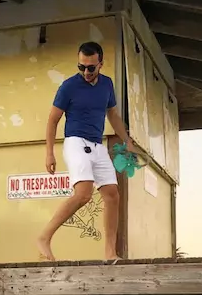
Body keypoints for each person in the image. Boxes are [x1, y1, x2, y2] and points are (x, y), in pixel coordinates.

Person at [37, 41, 135, 262]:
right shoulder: (69, 86)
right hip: (75, 142)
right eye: (81, 67)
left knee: (112, 195)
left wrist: (127, 140)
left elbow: (113, 115)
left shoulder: (107, 84)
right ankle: (44, 237)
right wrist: (49, 153)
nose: (86, 72)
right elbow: (52, 120)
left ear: (101, 63)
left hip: (97, 145)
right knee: (83, 194)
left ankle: (110, 253)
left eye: (91, 67)